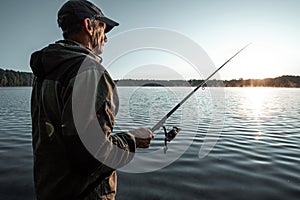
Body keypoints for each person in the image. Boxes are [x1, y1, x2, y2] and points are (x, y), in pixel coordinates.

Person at [30, 0, 153, 199]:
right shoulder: (90, 72)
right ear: (88, 26)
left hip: (50, 190)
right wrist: (133, 139)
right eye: (103, 29)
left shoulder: (46, 72)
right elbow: (90, 157)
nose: (105, 38)